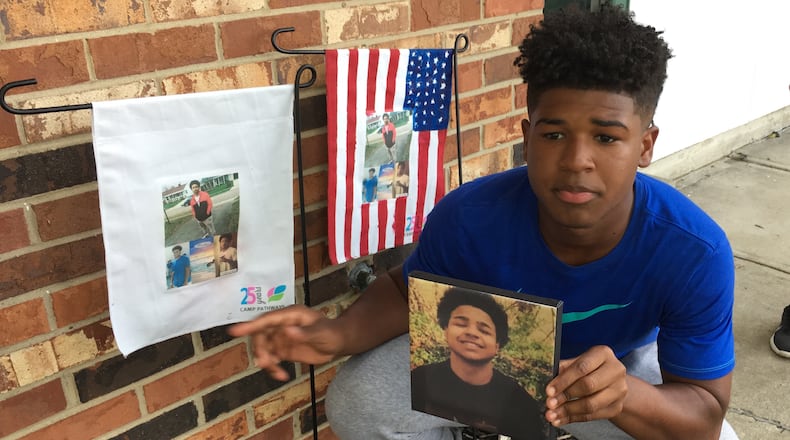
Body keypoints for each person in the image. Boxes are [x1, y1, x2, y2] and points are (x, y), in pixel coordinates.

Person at [229, 5, 738, 440]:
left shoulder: (693, 250)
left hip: (610, 376)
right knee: (359, 401)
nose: (577, 160)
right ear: (527, 134)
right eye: (554, 135)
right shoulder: (470, 215)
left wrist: (625, 397)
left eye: (607, 138)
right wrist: (338, 334)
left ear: (645, 145)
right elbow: (408, 291)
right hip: (493, 358)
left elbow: (705, 413)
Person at [411, 287, 544, 439]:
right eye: (461, 324)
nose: (472, 333)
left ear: (497, 345)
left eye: (484, 330)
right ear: (446, 330)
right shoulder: (421, 379)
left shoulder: (519, 402)